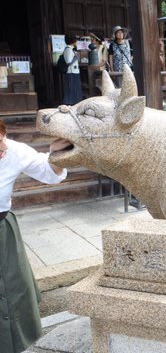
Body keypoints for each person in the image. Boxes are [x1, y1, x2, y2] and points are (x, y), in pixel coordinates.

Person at [0, 119, 69, 353]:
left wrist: (56, 154)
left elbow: (49, 172)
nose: (3, 148)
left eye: (2, 139)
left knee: (15, 292)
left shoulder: (14, 151)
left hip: (3, 231)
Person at [63, 33, 82, 105]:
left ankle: (74, 103)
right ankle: (70, 103)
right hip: (71, 72)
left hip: (74, 72)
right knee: (71, 89)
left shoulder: (71, 49)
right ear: (73, 41)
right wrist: (75, 58)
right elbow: (68, 62)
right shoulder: (68, 49)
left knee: (75, 89)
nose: (76, 42)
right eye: (75, 41)